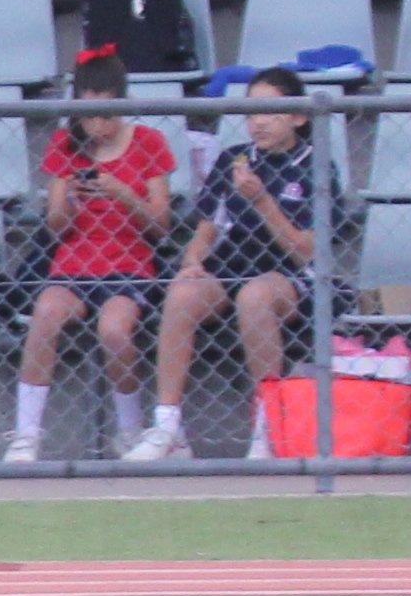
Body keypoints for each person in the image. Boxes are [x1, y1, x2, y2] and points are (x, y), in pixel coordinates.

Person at [131, 70, 323, 462]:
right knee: (183, 292)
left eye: (270, 111)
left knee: (255, 297)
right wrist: (193, 262)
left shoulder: (315, 167)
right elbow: (205, 232)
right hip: (230, 267)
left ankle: (267, 425)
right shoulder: (234, 160)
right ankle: (168, 426)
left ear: (298, 118)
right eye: (252, 112)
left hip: (288, 275)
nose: (259, 121)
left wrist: (262, 201)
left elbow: (307, 251)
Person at [7, 48, 179, 464]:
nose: (97, 125)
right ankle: (26, 433)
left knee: (115, 329)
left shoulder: (149, 142)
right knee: (46, 313)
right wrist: (69, 201)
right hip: (73, 264)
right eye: (88, 114)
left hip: (129, 265)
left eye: (106, 114)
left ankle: (129, 429)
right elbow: (55, 227)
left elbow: (161, 225)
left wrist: (122, 195)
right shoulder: (65, 147)